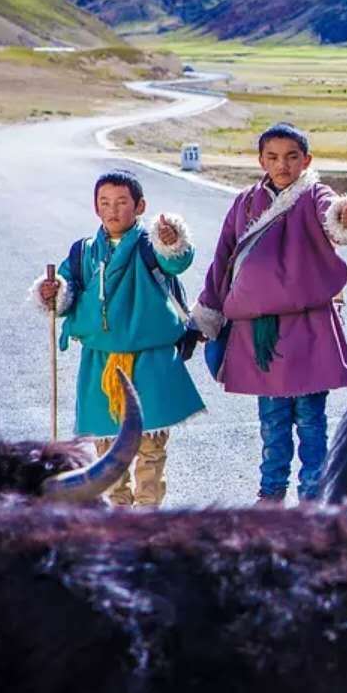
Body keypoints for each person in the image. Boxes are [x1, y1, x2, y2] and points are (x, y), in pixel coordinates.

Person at [192, 122, 347, 506]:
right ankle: (270, 494)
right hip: (261, 333)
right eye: (272, 157)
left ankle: (312, 497)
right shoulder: (244, 203)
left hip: (309, 328)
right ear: (260, 160)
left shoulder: (315, 195)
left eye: (292, 157)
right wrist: (206, 313)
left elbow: (334, 216)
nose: (282, 164)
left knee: (311, 421)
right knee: (272, 423)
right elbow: (222, 259)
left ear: (306, 160)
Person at [31, 170, 203, 507]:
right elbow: (64, 294)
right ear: (96, 209)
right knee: (107, 449)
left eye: (122, 202)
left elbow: (177, 260)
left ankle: (147, 511)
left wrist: (171, 240)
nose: (113, 210)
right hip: (101, 362)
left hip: (150, 359)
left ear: (140, 206)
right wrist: (51, 291)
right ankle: (118, 513)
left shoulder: (150, 245)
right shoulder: (84, 252)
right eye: (105, 203)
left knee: (151, 447)